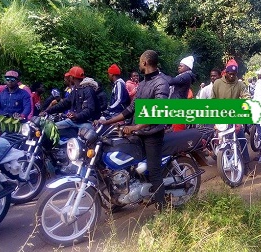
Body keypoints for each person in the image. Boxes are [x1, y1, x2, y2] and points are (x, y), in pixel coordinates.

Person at [97, 50, 170, 210]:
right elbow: (131, 108)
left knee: (154, 172)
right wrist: (108, 121)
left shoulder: (161, 83)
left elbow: (160, 111)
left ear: (145, 62)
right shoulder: (143, 83)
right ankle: (123, 196)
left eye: (139, 61)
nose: (138, 64)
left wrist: (136, 126)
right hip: (139, 133)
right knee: (127, 164)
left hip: (153, 135)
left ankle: (164, 212)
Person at [211, 59, 251, 170]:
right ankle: (221, 161)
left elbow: (246, 96)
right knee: (220, 140)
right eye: (230, 74)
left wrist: (246, 101)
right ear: (225, 73)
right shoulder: (218, 83)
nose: (232, 76)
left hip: (235, 116)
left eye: (234, 74)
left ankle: (247, 164)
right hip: (221, 117)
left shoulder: (240, 84)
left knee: (241, 138)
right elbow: (212, 101)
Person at [44, 66, 100, 137]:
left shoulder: (88, 90)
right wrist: (47, 111)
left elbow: (89, 109)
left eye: (69, 76)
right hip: (73, 121)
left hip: (87, 122)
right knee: (50, 129)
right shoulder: (76, 89)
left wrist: (77, 116)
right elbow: (64, 104)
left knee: (81, 143)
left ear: (72, 78)